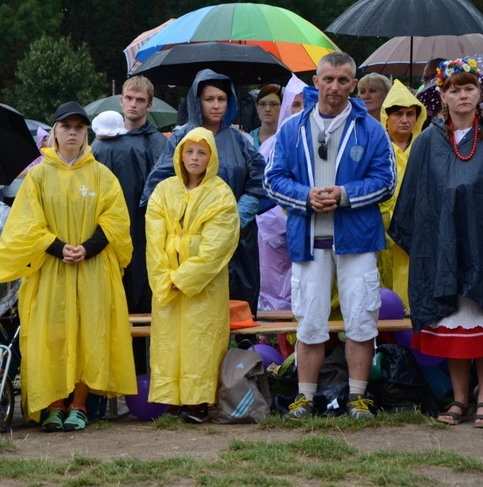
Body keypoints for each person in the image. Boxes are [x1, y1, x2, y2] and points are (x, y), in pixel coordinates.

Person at [389, 59, 483, 428]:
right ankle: (459, 399)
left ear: (480, 93)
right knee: (454, 322)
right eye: (454, 89)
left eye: (469, 88)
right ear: (441, 95)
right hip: (444, 248)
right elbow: (415, 201)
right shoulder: (427, 142)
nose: (462, 95)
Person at [264, 51, 396, 420]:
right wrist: (305, 197)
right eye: (328, 79)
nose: (334, 86)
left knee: (361, 319)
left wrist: (344, 195)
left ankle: (357, 397)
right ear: (316, 82)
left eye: (342, 80)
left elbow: (386, 182)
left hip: (356, 239)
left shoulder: (370, 128)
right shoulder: (292, 128)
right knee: (309, 321)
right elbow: (272, 180)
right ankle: (305, 398)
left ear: (353, 84)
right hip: (309, 239)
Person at [0, 101, 136, 433]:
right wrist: (58, 248)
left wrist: (87, 248)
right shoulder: (39, 175)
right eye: (66, 127)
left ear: (86, 134)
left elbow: (116, 221)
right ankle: (54, 404)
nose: (72, 133)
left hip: (92, 270)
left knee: (89, 335)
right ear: (54, 132)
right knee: (52, 335)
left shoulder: (101, 175)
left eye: (79, 128)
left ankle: (80, 405)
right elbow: (26, 223)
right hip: (50, 271)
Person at [142, 69, 266, 317]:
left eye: (222, 99)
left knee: (237, 310)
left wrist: (235, 218)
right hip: (189, 243)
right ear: (197, 101)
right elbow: (158, 186)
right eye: (209, 99)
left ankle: (240, 357)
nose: (216, 105)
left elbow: (260, 182)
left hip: (237, 244)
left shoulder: (240, 141)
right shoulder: (181, 138)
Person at [145, 126, 239, 424]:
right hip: (167, 283)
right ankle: (172, 397)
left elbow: (217, 245)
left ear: (211, 157)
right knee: (170, 342)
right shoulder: (164, 190)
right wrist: (164, 278)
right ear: (179, 154)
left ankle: (198, 400)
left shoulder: (220, 193)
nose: (195, 158)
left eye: (202, 152)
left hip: (203, 286)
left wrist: (184, 278)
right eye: (189, 151)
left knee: (201, 341)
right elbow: (153, 238)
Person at [92, 76, 167, 316]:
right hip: (108, 231)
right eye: (129, 98)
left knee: (145, 300)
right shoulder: (102, 144)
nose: (134, 104)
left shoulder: (157, 143)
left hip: (147, 232)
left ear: (149, 105)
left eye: (140, 100)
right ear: (121, 101)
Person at [256, 74, 306, 311]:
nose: (300, 110)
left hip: (309, 234)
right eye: (295, 104)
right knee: (274, 296)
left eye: (305, 103)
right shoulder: (270, 146)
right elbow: (262, 192)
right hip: (273, 236)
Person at [377, 80, 427, 311]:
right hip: (383, 230)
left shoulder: (426, 148)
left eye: (410, 113)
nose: (405, 119)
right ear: (386, 117)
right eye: (398, 114)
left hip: (418, 231)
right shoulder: (377, 148)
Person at [249, 84, 283, 148]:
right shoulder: (248, 140)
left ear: (282, 107)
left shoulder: (287, 139)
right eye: (262, 104)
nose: (267, 109)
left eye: (273, 104)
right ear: (257, 107)